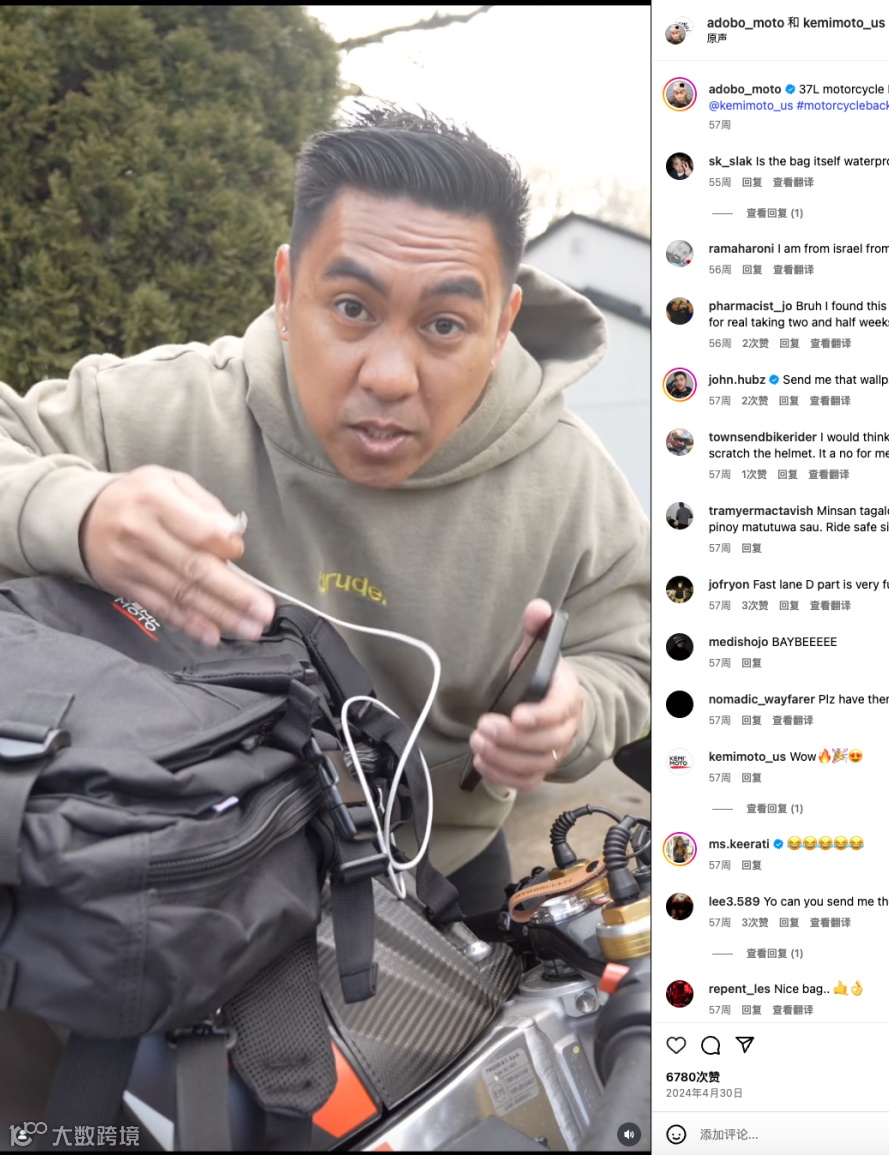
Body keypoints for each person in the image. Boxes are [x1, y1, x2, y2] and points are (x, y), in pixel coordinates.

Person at [0, 108, 651, 912]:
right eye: (351, 308)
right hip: (180, 860)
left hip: (439, 861)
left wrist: (577, 710)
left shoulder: (573, 482)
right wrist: (80, 513)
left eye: (445, 325)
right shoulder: (157, 408)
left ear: (502, 325)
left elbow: (635, 654)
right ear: (286, 290)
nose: (389, 375)